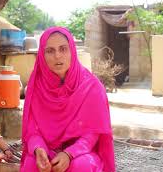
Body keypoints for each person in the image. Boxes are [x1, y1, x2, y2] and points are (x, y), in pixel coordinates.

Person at [21, 26, 115, 172]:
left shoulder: (91, 86)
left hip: (80, 153)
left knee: (81, 166)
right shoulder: (36, 86)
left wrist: (69, 154)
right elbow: (32, 130)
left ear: (72, 51)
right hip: (46, 150)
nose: (57, 56)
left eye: (63, 49)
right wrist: (38, 149)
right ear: (42, 55)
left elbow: (92, 133)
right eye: (50, 51)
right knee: (31, 164)